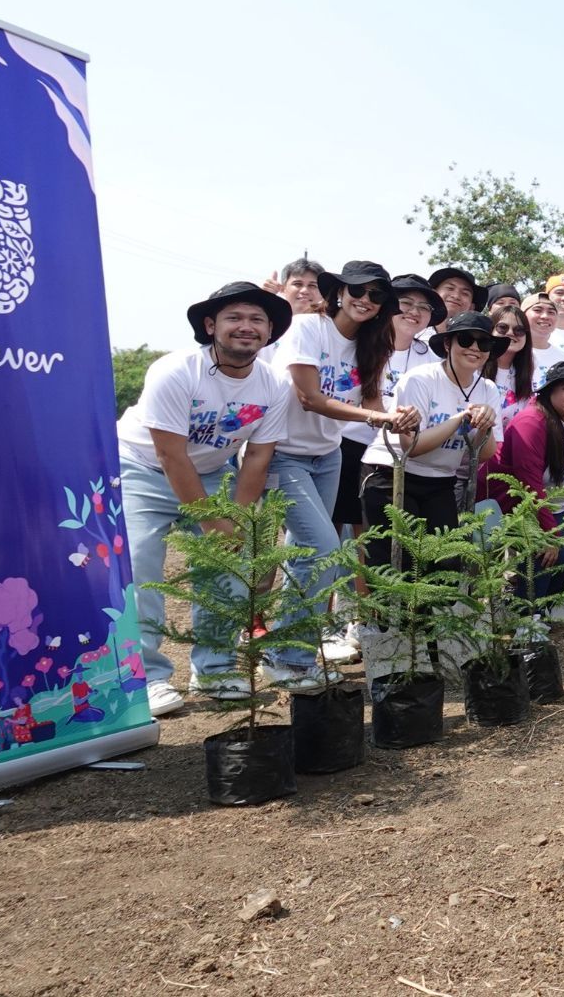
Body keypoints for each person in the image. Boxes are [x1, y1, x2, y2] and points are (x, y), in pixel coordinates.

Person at [118, 282, 293, 715]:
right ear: (211, 325)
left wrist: (237, 518)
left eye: (257, 320)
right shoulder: (176, 371)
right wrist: (213, 522)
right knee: (140, 565)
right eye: (235, 318)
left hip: (214, 473)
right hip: (143, 468)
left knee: (228, 564)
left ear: (270, 332)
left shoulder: (273, 384)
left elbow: (257, 457)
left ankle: (214, 666)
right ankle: (148, 678)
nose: (246, 327)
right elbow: (170, 453)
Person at [271, 260, 409, 690]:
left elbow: (374, 403)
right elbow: (309, 398)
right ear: (339, 292)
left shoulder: (372, 343)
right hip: (281, 451)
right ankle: (288, 658)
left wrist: (399, 417)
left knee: (303, 554)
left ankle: (289, 650)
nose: (365, 300)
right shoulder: (308, 328)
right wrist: (375, 417)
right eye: (358, 291)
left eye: (376, 295)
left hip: (326, 454)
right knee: (325, 547)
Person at [325, 275, 443, 665]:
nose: (413, 312)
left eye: (423, 307)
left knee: (371, 540)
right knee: (329, 538)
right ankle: (327, 622)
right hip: (349, 443)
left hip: (402, 454)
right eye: (405, 303)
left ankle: (367, 618)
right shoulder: (367, 343)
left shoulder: (431, 357)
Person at [359, 310, 502, 568]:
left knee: (444, 565)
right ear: (448, 344)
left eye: (484, 343)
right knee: (393, 566)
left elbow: (483, 454)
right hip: (392, 474)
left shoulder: (488, 389)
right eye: (466, 340)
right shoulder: (421, 379)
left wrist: (485, 425)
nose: (475, 348)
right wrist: (459, 419)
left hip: (440, 480)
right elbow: (411, 447)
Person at [486, 360, 564, 627]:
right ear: (549, 392)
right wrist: (549, 534)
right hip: (517, 505)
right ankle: (526, 613)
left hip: (559, 506)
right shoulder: (532, 421)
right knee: (545, 553)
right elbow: (528, 483)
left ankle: (552, 602)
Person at [483, 305, 536, 418]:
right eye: (503, 327)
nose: (511, 333)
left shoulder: (530, 374)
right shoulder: (475, 368)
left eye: (519, 330)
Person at [522, 292, 564, 384]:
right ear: (523, 315)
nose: (545, 316)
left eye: (551, 312)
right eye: (537, 310)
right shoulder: (512, 353)